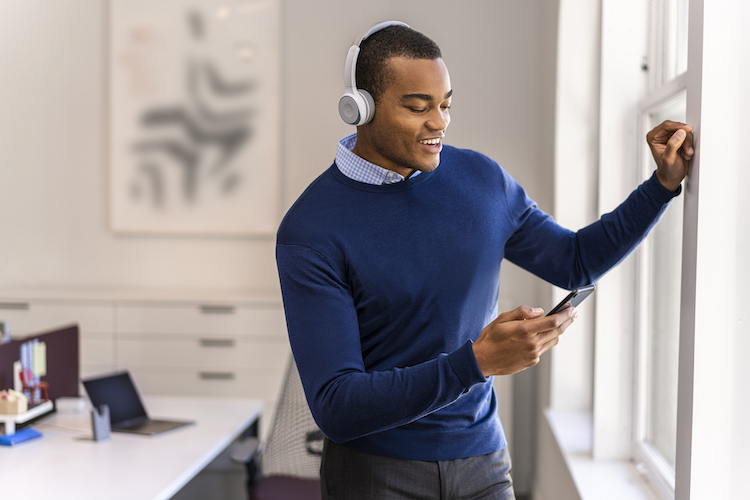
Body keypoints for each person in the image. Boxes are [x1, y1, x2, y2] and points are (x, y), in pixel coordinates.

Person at [276, 22, 694, 500]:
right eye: (418, 107)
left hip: (484, 463)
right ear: (361, 108)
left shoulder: (482, 181)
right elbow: (337, 406)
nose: (439, 122)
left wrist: (661, 186)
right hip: (374, 474)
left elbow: (574, 260)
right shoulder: (311, 230)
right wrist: (476, 363)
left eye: (446, 104)